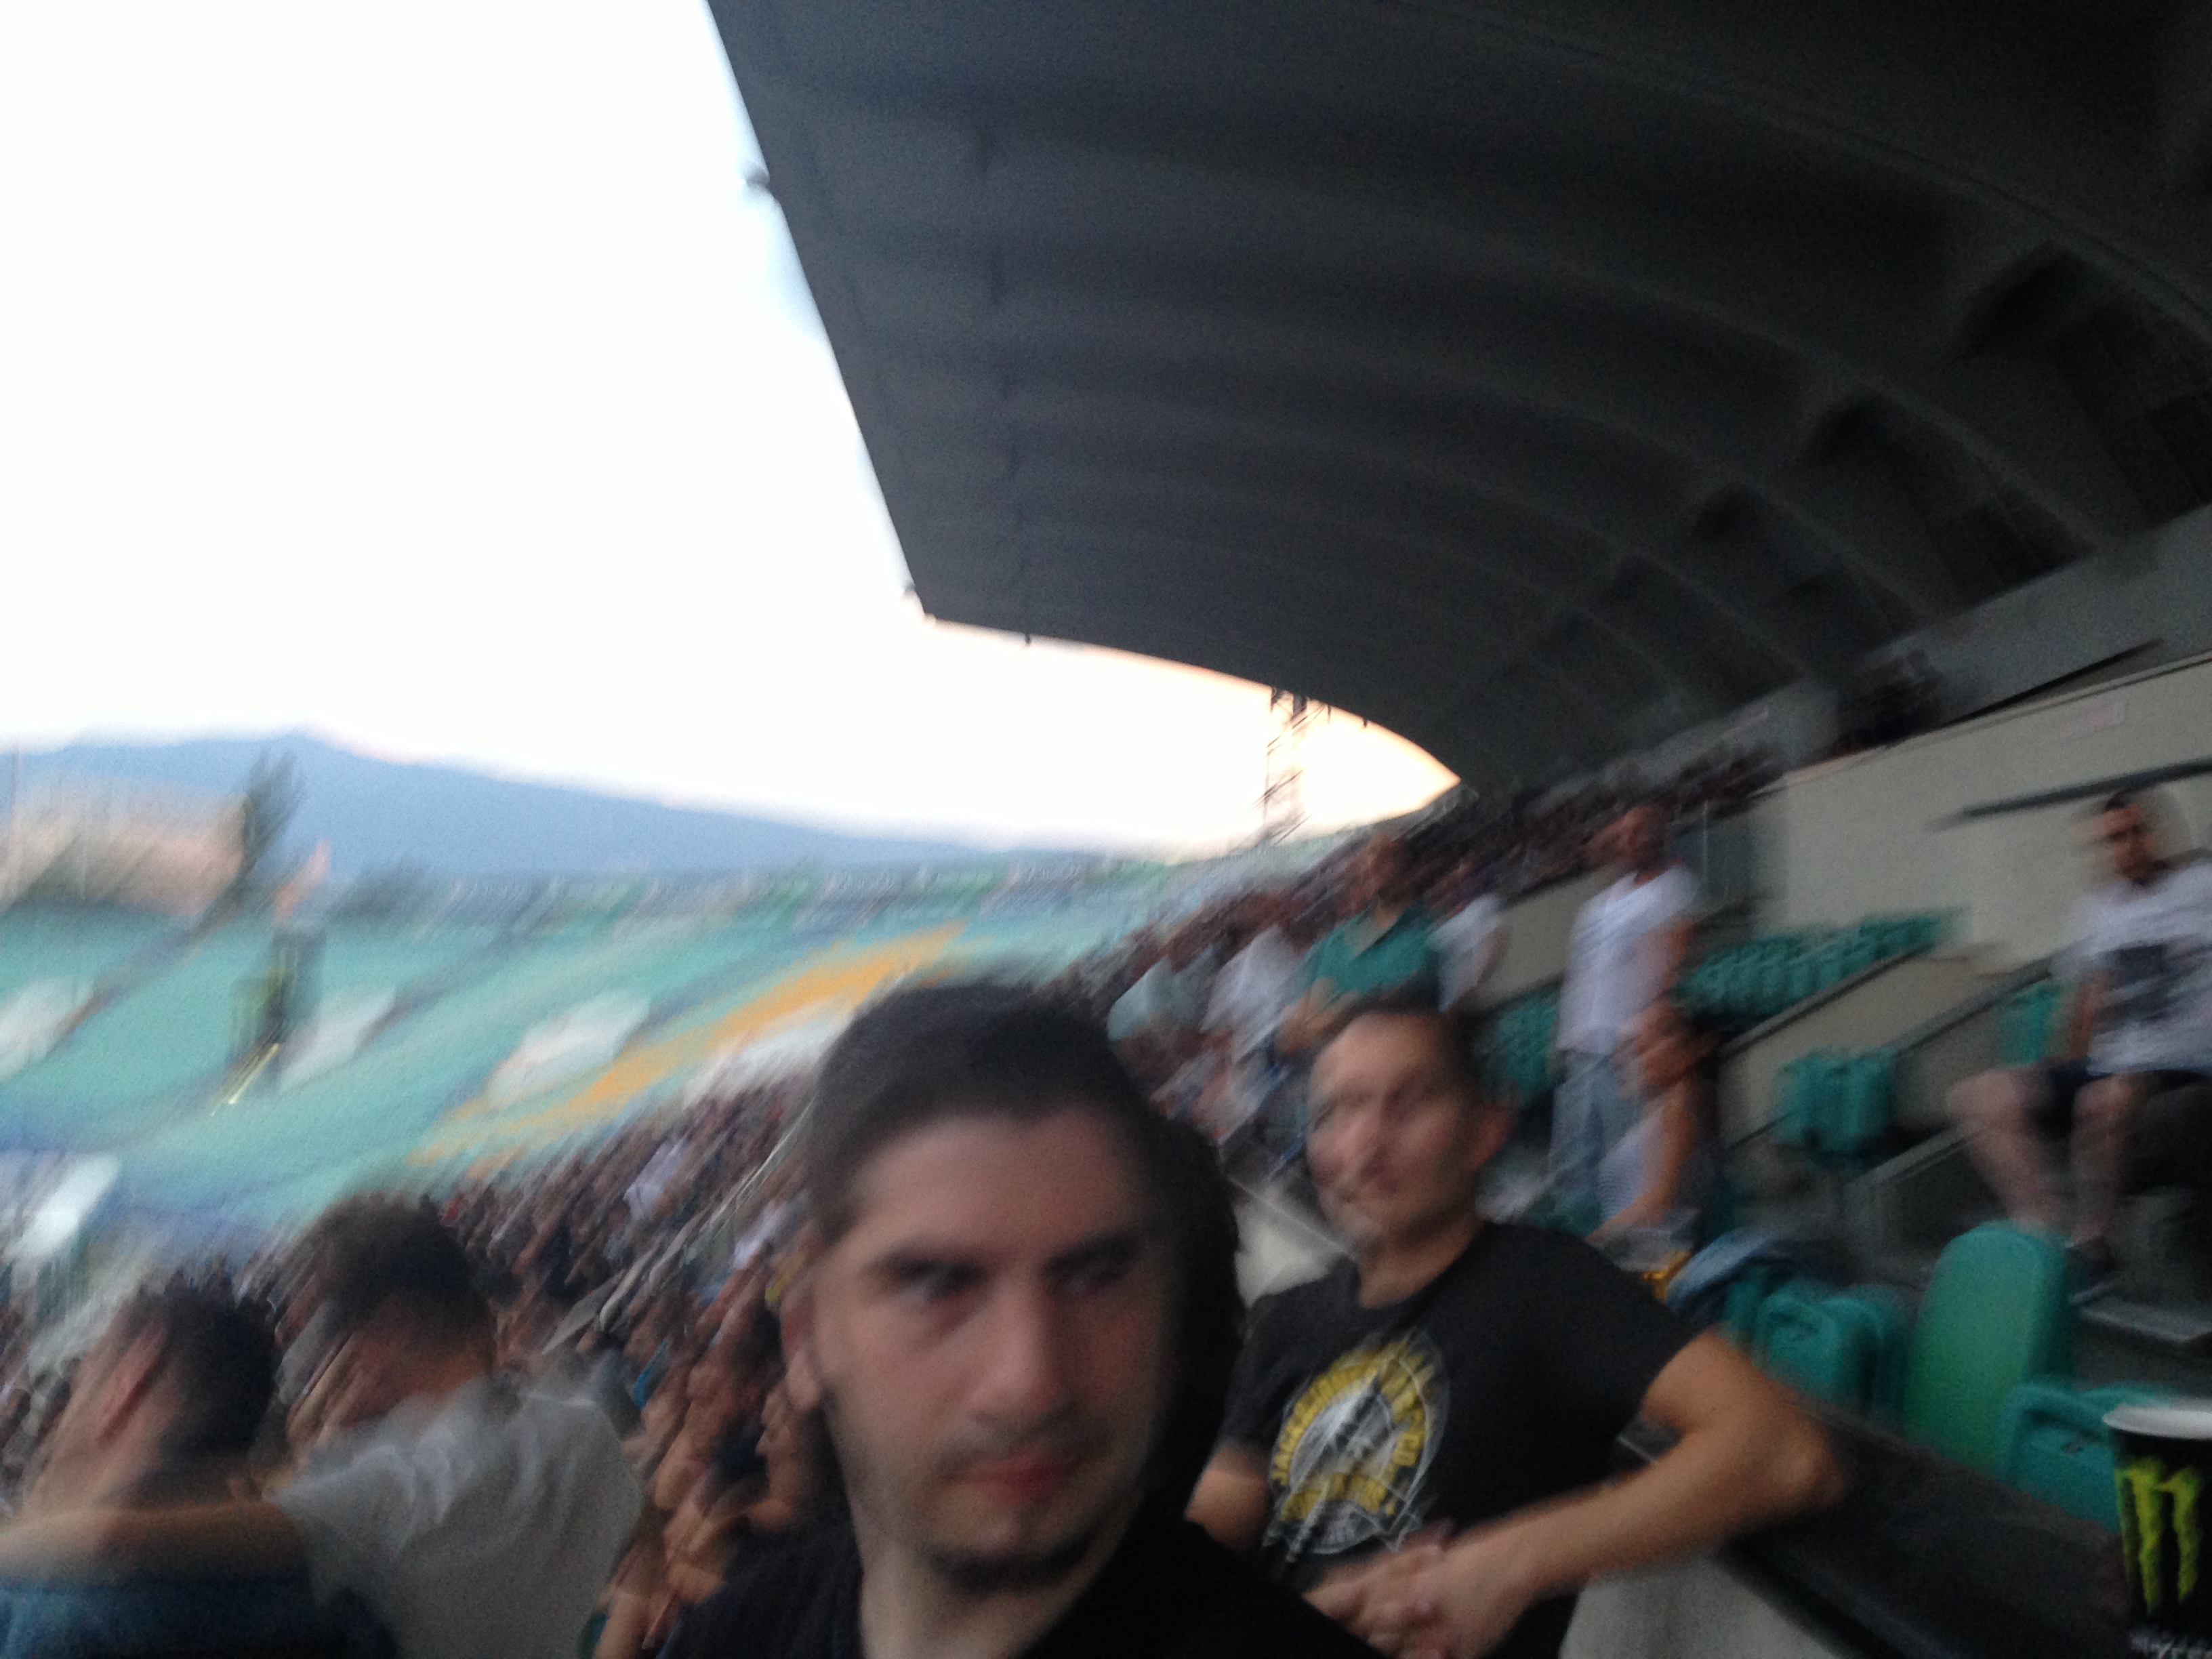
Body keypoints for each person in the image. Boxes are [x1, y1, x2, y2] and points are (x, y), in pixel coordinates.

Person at [665, 983, 1372, 1659]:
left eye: (1096, 1277)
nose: (1030, 1383)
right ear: (808, 1336)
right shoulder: (728, 1639)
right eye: (939, 1285)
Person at [1189, 994, 1838, 1659]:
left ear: (1486, 1130)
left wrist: (1509, 1563)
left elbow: (1782, 1451)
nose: (1365, 1146)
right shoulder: (1287, 1319)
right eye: (1335, 1111)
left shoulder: (1548, 1286)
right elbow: (1208, 1534)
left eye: (1407, 1105)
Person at [0, 1200, 643, 1659]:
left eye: (343, 1335)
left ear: (388, 1329)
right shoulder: (585, 1434)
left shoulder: (396, 1498)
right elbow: (642, 1541)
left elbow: (114, 1541)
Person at [0, 1284, 374, 1659]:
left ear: (128, 1381)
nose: (59, 1425)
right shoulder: (314, 1605)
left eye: (80, 1385)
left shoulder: (53, 1624)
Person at [1948, 790, 2212, 1288]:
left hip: (2182, 1061)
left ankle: (2095, 1243)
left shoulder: (2201, 886)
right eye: (2115, 838)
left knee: (2104, 1099)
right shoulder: (2096, 910)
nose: (2129, 845)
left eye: (2137, 832)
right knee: (1981, 1097)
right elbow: (2087, 999)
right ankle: (2043, 1234)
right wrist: (2067, 1064)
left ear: (2159, 833)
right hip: (2113, 1060)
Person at [1551, 803, 1699, 1225]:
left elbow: (1678, 960)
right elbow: (1581, 975)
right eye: (1623, 835)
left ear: (1661, 834)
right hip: (1581, 1048)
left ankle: (1624, 1242)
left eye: (1640, 832)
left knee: (1625, 1164)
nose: (1629, 842)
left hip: (1627, 1050)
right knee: (1574, 1164)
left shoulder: (1675, 887)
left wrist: (1647, 1032)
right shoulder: (1604, 900)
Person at [1282, 833, 1439, 1051]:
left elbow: (1384, 1011)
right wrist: (1339, 1011)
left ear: (1413, 870)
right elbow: (1291, 1035)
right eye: (1368, 856)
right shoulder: (1336, 940)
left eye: (1387, 857)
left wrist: (1338, 1012)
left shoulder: (1426, 934)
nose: (1372, 863)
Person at [1592, 1001, 1721, 1247]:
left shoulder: (1679, 1115)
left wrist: (1593, 1241)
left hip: (1648, 1256)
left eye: (1662, 1033)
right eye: (1642, 1037)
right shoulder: (1665, 1109)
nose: (1642, 1045)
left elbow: (1658, 1204)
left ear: (1694, 1048)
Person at [1431, 859, 1507, 1016]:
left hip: (1467, 1005)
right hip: (1441, 1008)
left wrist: (1471, 989)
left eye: (1469, 877)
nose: (1464, 883)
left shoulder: (1486, 905)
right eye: (1459, 879)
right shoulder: (1438, 921)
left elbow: (1497, 943)